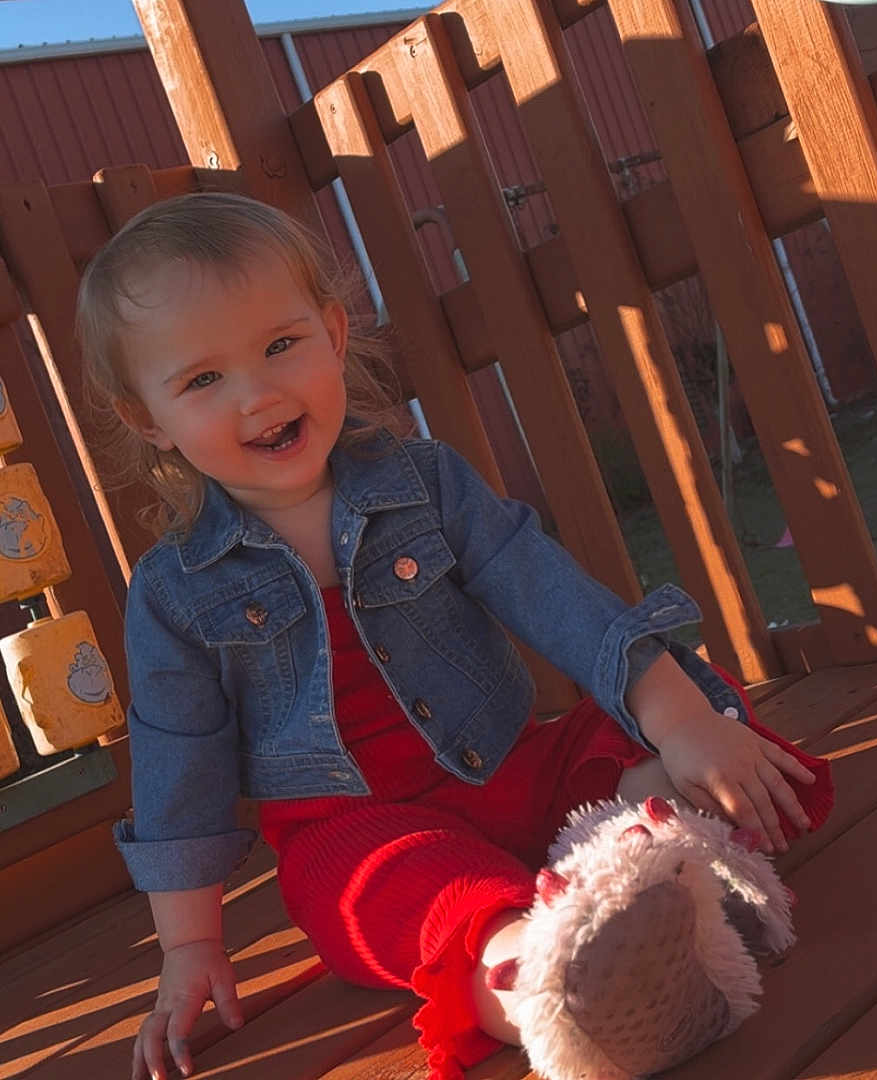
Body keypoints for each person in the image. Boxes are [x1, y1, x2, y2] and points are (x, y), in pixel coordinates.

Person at [76, 192, 833, 1080]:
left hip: (519, 774)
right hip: (362, 831)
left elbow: (553, 595)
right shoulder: (175, 592)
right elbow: (179, 767)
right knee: (395, 896)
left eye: (281, 345)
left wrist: (682, 722)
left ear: (333, 333)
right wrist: (189, 945)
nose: (259, 393)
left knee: (690, 702)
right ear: (147, 418)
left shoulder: (424, 483)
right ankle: (559, 982)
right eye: (203, 381)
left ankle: (661, 883)